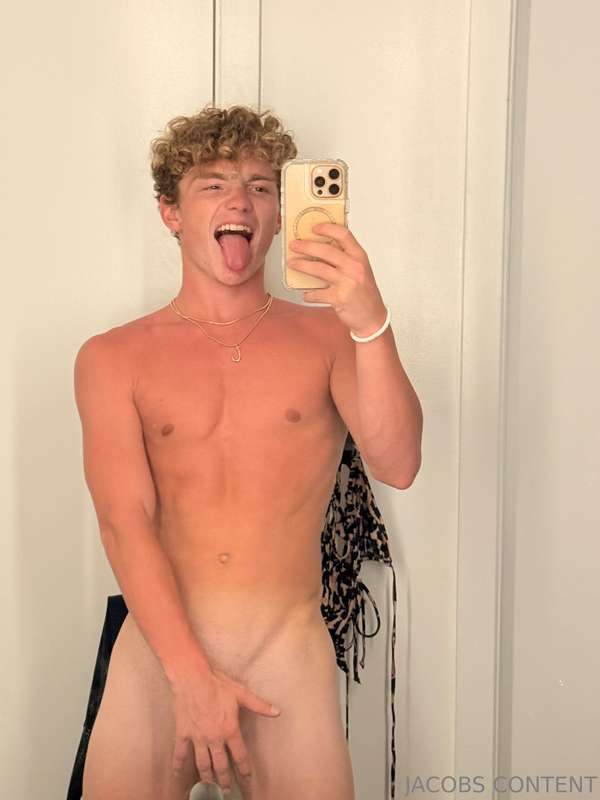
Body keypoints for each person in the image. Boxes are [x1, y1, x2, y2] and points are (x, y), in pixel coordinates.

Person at [73, 104, 422, 800]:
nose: (240, 201)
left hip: (286, 659)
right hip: (159, 660)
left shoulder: (329, 339)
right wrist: (191, 679)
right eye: (213, 184)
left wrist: (371, 322)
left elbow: (399, 463)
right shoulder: (112, 357)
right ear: (170, 212)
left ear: (281, 212)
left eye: (261, 187)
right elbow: (123, 522)